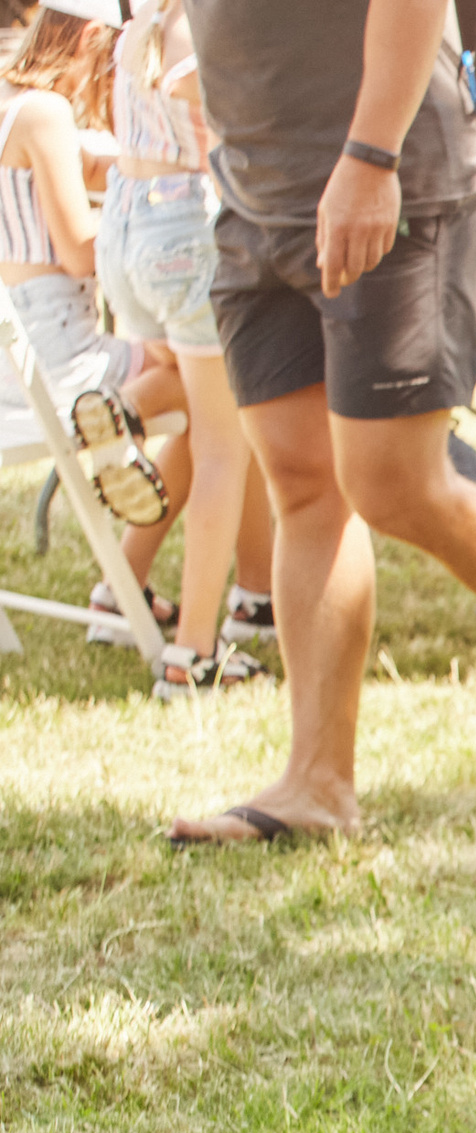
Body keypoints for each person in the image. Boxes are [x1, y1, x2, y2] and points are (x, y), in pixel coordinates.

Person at [169, 0, 476, 843]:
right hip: (258, 190)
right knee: (301, 483)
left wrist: (370, 155)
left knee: (396, 483)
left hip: (386, 173)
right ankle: (317, 784)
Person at [0, 0, 197, 651]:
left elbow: (88, 167)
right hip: (70, 360)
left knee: (195, 380)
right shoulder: (45, 113)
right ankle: (119, 578)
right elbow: (80, 250)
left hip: (30, 357)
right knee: (215, 395)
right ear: (91, 38)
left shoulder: (13, 107)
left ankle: (122, 584)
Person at [99, 0, 278, 698]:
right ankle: (195, 652)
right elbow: (211, 122)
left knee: (195, 423)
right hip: (185, 233)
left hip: (128, 226)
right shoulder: (193, 24)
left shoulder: (138, 25)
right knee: (225, 448)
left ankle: (121, 587)